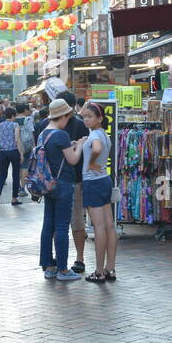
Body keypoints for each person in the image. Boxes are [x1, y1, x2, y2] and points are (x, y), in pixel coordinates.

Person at [36, 92, 89, 271]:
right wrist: (80, 145)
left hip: (48, 184)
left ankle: (48, 266)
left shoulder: (44, 131)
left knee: (47, 226)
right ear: (64, 115)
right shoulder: (61, 134)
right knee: (62, 227)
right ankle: (63, 269)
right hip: (64, 183)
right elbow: (73, 160)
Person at [79, 102, 118, 282]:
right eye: (84, 116)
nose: (86, 119)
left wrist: (90, 161)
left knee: (99, 227)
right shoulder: (104, 134)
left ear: (100, 118)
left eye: (90, 116)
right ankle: (110, 268)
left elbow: (96, 149)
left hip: (92, 182)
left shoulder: (95, 134)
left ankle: (99, 271)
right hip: (104, 179)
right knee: (109, 226)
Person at [0, 106, 23, 207]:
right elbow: (17, 139)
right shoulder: (15, 125)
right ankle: (14, 198)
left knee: (2, 175)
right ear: (13, 115)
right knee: (15, 175)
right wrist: (21, 154)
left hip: (2, 152)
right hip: (14, 151)